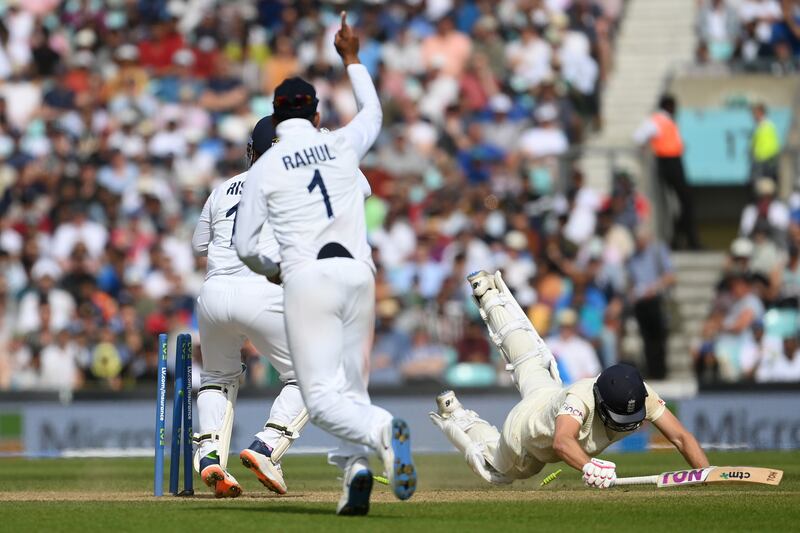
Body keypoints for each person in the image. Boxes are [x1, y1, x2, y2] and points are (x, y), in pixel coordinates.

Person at [235, 13, 416, 516]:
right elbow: (375, 115)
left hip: (307, 279)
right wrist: (353, 58)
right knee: (349, 387)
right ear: (315, 115)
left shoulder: (265, 166)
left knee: (319, 397)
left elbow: (245, 245)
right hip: (359, 276)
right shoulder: (340, 143)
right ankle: (355, 474)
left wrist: (275, 269)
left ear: (274, 117)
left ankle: (383, 430)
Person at [430, 270, 709, 487]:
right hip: (525, 436)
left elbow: (682, 438)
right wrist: (589, 466)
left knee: (530, 357)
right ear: (600, 402)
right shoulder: (581, 399)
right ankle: (458, 417)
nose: (630, 424)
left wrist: (706, 474)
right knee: (498, 470)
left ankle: (489, 296)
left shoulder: (639, 392)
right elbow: (562, 441)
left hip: (547, 393)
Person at [191, 116, 307, 498]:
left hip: (213, 293)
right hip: (262, 290)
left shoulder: (223, 189)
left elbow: (199, 245)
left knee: (216, 378)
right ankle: (266, 447)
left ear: (251, 151)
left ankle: (209, 456)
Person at [634, 94, 700, 249]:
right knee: (686, 203)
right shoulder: (657, 120)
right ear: (669, 106)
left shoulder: (667, 121)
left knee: (685, 204)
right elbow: (639, 136)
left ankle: (680, 238)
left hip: (674, 162)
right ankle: (687, 239)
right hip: (668, 164)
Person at [627, 225, 676, 380]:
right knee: (646, 339)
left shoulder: (657, 251)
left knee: (659, 338)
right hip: (641, 303)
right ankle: (651, 371)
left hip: (656, 300)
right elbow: (631, 281)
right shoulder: (633, 257)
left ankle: (661, 372)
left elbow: (670, 276)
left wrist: (653, 288)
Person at [750, 102, 781, 182]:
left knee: (766, 186)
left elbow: (772, 146)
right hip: (761, 161)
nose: (753, 116)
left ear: (760, 112)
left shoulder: (767, 126)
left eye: (755, 113)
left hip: (765, 162)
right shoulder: (759, 126)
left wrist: (763, 157)